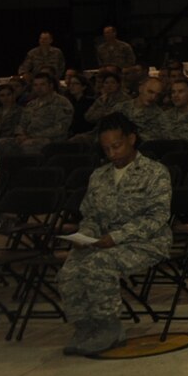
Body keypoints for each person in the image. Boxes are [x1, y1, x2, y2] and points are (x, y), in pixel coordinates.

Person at [57, 114, 172, 356]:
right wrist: (84, 237)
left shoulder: (154, 172)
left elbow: (156, 218)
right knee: (71, 267)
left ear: (131, 139)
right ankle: (85, 326)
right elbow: (90, 216)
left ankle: (109, 328)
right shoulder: (99, 176)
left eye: (116, 146)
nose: (112, 153)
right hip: (104, 240)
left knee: (99, 264)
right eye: (106, 148)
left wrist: (117, 237)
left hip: (146, 242)